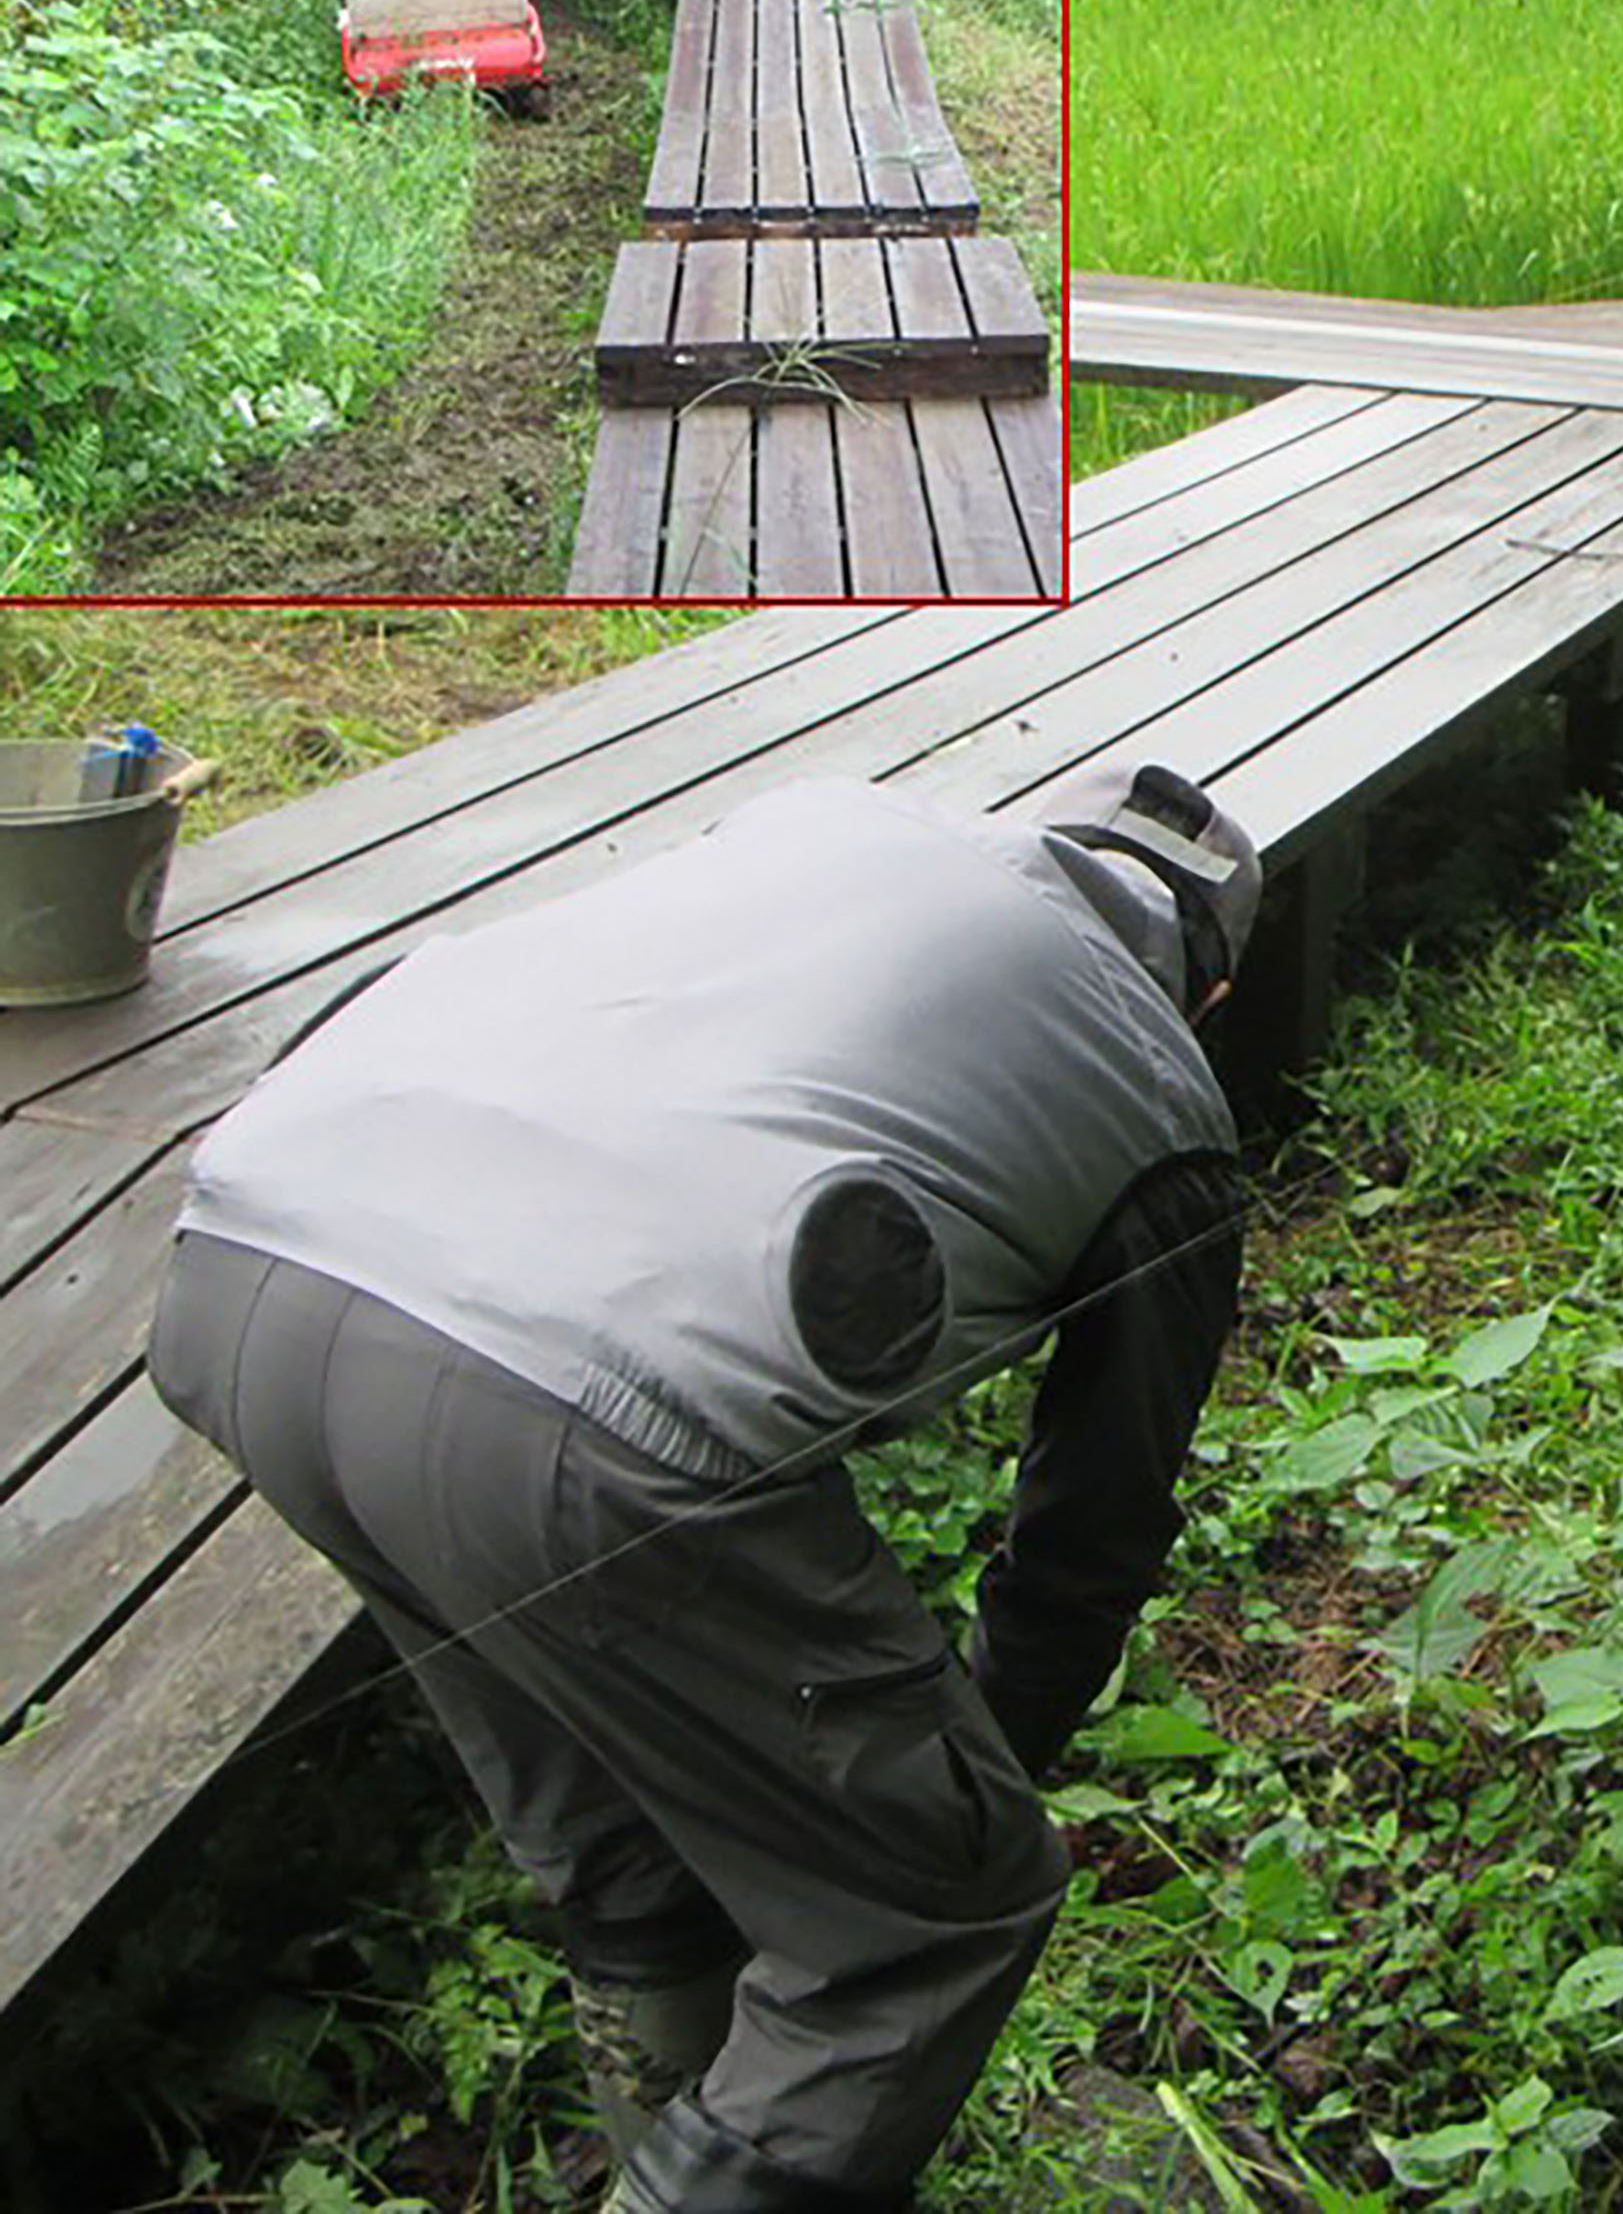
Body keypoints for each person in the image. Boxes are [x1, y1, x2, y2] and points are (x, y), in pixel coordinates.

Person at [147, 763, 1260, 2214]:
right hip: (577, 1394)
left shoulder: (838, 829)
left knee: (621, 1839)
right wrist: (947, 1793)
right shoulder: (1158, 1087)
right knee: (927, 1921)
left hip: (247, 1270)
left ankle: (667, 2141)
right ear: (1208, 993)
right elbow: (1085, 1541)